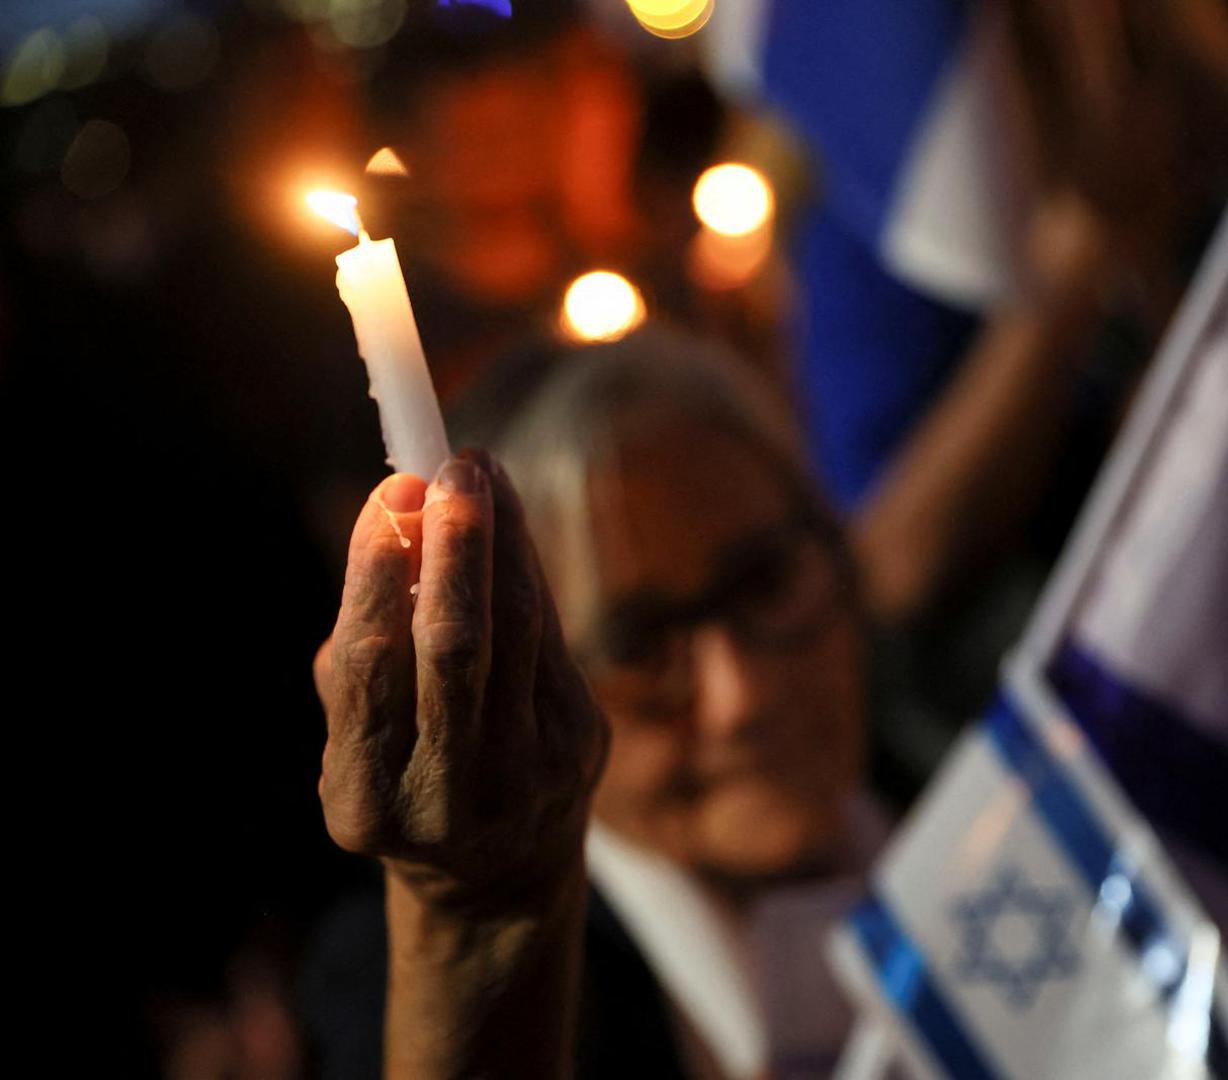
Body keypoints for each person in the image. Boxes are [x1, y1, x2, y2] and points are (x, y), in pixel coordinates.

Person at [311, 337, 880, 1078]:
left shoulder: (980, 779)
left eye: (765, 583)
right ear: (523, 683)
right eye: (639, 644)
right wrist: (467, 924)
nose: (743, 696)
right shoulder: (402, 983)